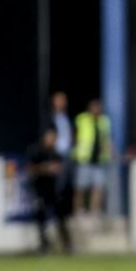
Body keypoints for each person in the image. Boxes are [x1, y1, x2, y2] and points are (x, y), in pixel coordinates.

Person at [25, 128, 72, 254]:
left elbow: (60, 169)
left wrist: (56, 169)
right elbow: (30, 169)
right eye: (50, 137)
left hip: (53, 191)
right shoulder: (36, 152)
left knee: (60, 218)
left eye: (54, 138)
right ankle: (44, 246)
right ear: (45, 138)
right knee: (41, 219)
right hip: (39, 190)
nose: (52, 140)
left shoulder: (56, 154)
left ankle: (67, 245)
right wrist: (45, 168)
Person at [73, 98, 112, 222]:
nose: (96, 110)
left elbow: (106, 139)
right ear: (89, 108)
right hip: (84, 159)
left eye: (98, 107)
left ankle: (94, 211)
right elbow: (74, 135)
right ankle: (78, 211)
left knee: (98, 187)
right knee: (80, 187)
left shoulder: (104, 121)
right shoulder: (82, 119)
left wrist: (110, 152)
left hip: (99, 161)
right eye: (94, 107)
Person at [49, 91, 75, 226]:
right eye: (59, 100)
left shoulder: (66, 117)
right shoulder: (50, 118)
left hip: (68, 154)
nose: (62, 102)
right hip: (57, 155)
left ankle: (65, 214)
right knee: (58, 186)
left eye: (63, 100)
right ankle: (56, 216)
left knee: (67, 186)